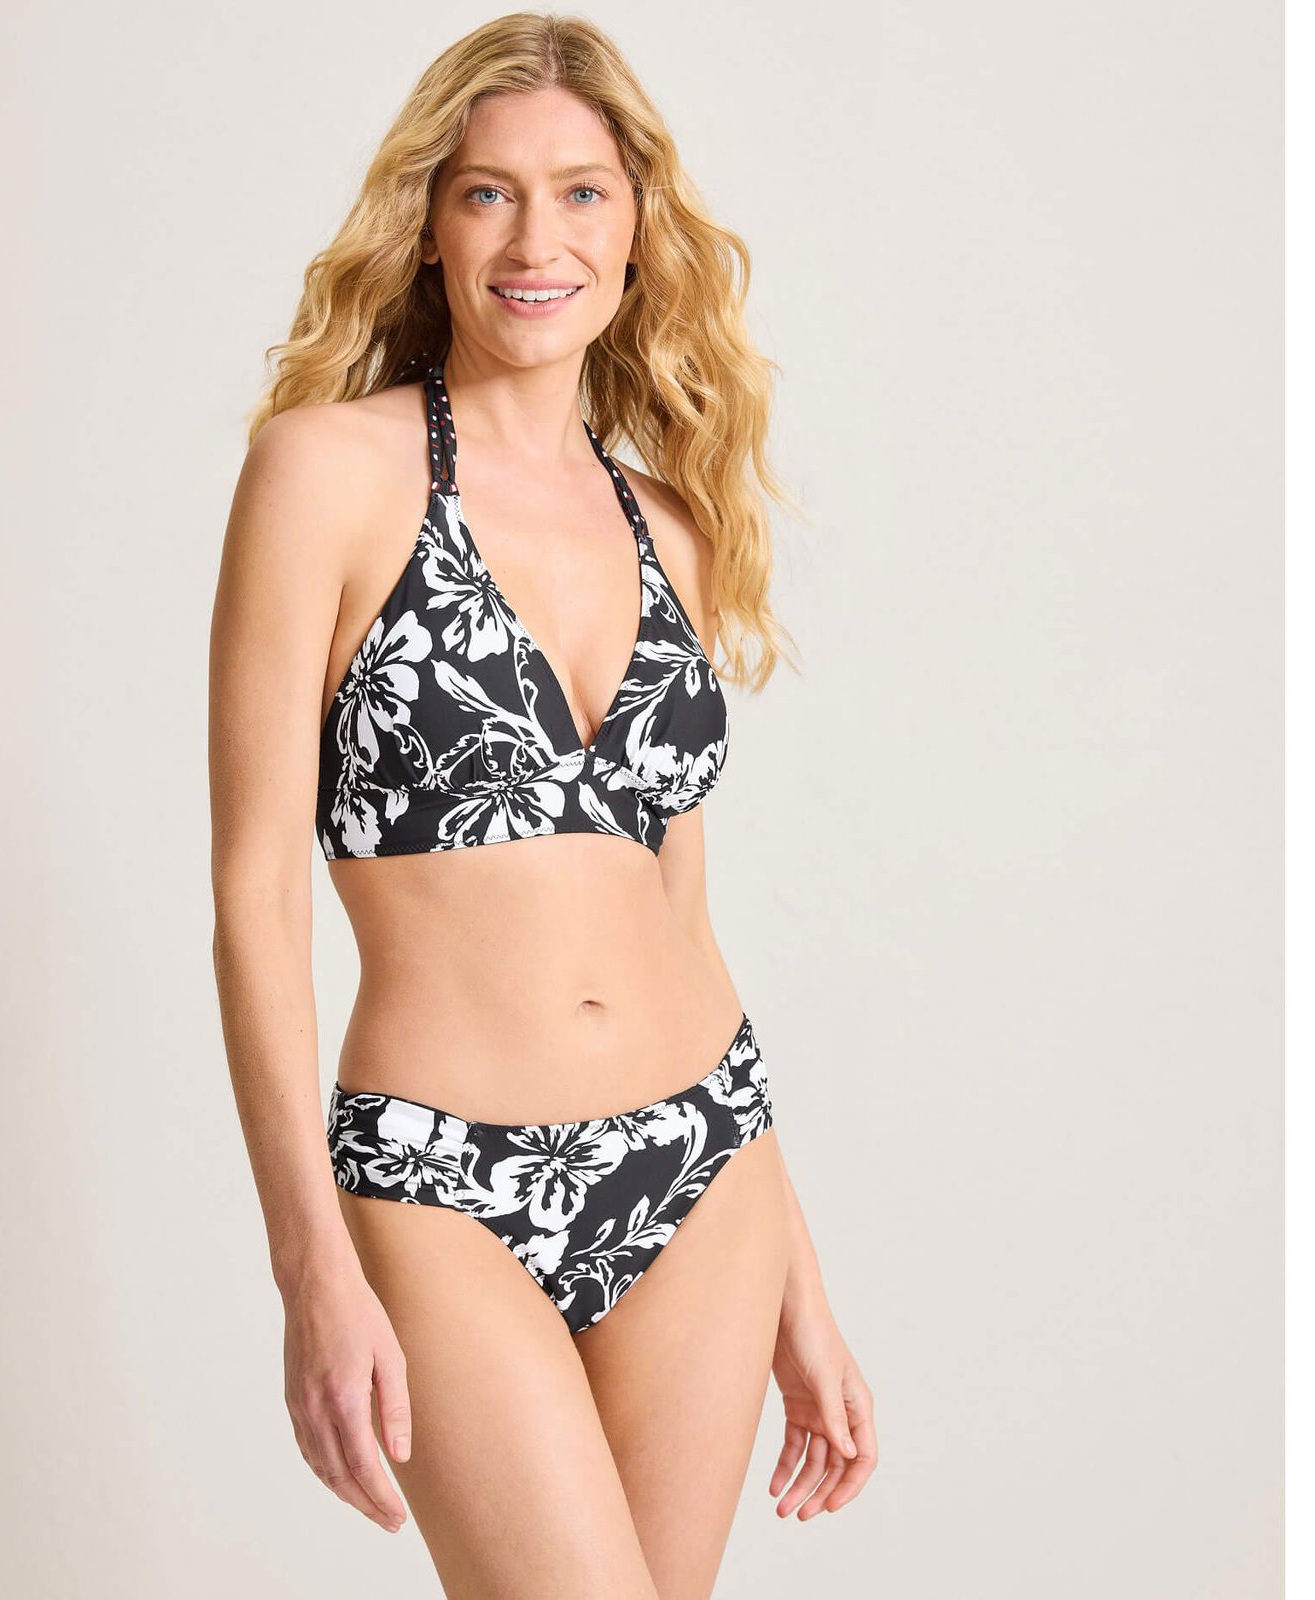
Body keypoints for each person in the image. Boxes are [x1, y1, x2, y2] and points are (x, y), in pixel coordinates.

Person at [208, 13, 876, 1594]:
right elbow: (254, 899)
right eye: (488, 193)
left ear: (637, 230)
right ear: (430, 228)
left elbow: (681, 917)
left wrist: (800, 1279)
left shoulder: (673, 527)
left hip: (703, 1167)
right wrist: (310, 1268)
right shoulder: (326, 476)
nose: (535, 240)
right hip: (442, 1180)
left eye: (581, 192)